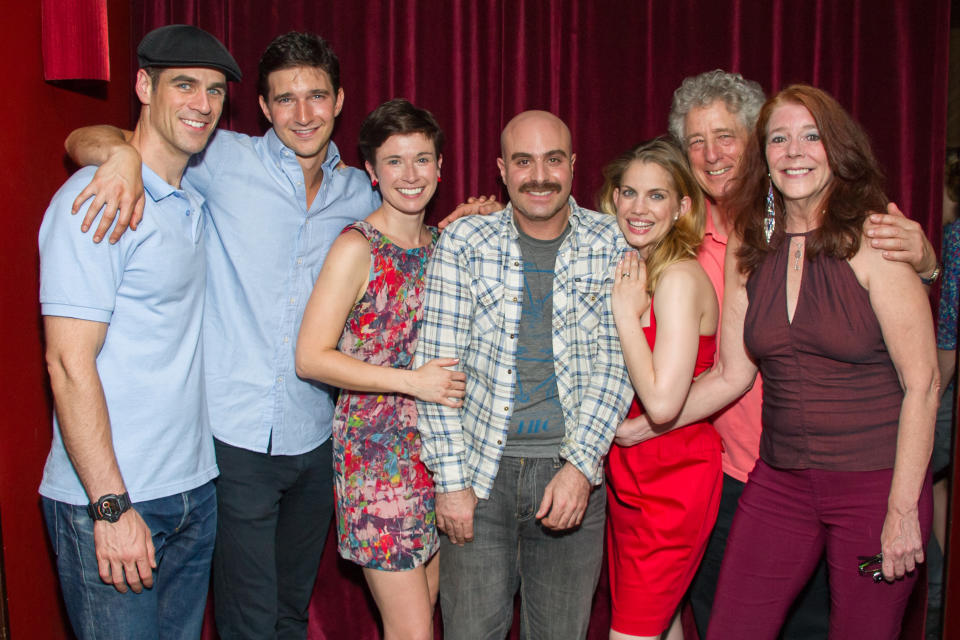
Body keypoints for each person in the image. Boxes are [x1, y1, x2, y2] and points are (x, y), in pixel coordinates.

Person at [616, 69, 941, 639]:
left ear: (837, 150)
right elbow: (732, 373)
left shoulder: (876, 239)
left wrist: (901, 510)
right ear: (765, 155)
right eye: (780, 139)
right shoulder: (753, 245)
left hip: (872, 484)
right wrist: (644, 428)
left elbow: (924, 384)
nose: (794, 152)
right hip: (777, 478)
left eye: (811, 137)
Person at [38, 25, 241, 639]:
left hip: (192, 491)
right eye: (184, 85)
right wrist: (110, 506)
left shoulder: (190, 199)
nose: (201, 104)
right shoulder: (97, 200)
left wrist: (114, 148)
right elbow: (68, 364)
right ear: (143, 85)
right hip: (115, 502)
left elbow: (85, 139)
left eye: (213, 90)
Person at [414, 110, 633, 639]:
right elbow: (438, 366)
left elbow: (619, 364)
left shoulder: (613, 241)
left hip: (571, 472)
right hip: (479, 478)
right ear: (501, 170)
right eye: (524, 161)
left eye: (553, 159)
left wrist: (581, 467)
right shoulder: (465, 242)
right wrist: (451, 483)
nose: (540, 175)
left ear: (574, 166)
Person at [295, 99, 465, 639]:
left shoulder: (441, 244)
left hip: (435, 455)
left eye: (422, 159)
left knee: (422, 617)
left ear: (441, 167)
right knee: (413, 631)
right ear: (371, 171)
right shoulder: (356, 247)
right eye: (394, 161)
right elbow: (311, 356)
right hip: (374, 459)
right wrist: (411, 382)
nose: (410, 175)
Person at [600, 138, 721, 640]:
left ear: (682, 207)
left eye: (656, 196)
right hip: (630, 475)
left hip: (674, 479)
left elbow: (664, 402)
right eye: (628, 192)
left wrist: (626, 317)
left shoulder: (678, 278)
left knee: (632, 631)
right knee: (660, 623)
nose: (638, 207)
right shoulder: (638, 267)